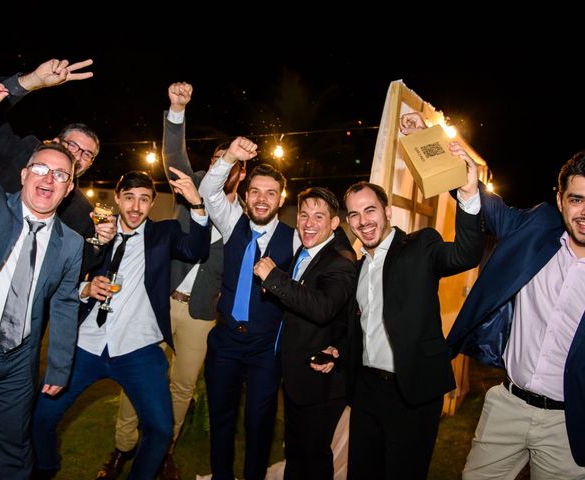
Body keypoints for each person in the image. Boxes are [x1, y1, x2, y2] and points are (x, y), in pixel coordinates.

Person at [96, 82, 246, 480]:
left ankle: (164, 450)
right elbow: (175, 156)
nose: (222, 168)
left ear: (241, 172)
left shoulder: (246, 217)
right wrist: (177, 111)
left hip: (200, 313)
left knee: (181, 387)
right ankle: (122, 448)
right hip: (159, 300)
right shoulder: (191, 187)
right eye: (217, 160)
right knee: (139, 375)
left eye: (230, 164)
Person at [31, 169, 210, 479]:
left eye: (143, 200)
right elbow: (57, 279)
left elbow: (196, 249)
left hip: (138, 349)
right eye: (129, 198)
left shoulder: (163, 234)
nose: (136, 207)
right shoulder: (93, 233)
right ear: (117, 198)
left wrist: (197, 205)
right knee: (42, 416)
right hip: (85, 345)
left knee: (160, 428)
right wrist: (85, 288)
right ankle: (45, 468)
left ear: (153, 203)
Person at [0, 79, 83, 479]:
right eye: (40, 168)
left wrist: (58, 366)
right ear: (24, 174)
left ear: (69, 187)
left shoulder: (70, 244)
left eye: (60, 174)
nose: (48, 178)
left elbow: (64, 302)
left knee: (14, 455)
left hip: (18, 362)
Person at [342, 141, 483, 479]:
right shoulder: (358, 267)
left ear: (387, 211)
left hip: (413, 391)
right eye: (354, 214)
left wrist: (467, 194)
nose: (363, 221)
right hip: (366, 390)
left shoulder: (420, 246)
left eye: (370, 210)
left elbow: (465, 254)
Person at [447, 151, 585, 478]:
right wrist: (427, 136)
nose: (584, 211)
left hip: (568, 425)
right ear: (560, 199)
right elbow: (483, 200)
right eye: (577, 199)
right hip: (506, 406)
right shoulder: (536, 227)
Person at [0, 57, 115, 269]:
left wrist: (101, 242)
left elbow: (83, 263)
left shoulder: (83, 212)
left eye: (87, 154)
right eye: (72, 145)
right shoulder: (19, 155)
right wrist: (30, 81)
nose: (77, 155)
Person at [199, 137, 298, 480]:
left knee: (259, 421)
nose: (261, 199)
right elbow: (208, 189)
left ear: (281, 199)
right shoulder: (231, 223)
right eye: (255, 191)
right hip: (225, 340)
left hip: (265, 348)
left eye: (271, 193)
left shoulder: (295, 237)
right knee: (221, 419)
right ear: (245, 193)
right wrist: (229, 158)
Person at [253, 187, 357, 480]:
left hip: (320, 378)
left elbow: (324, 308)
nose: (309, 223)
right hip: (300, 372)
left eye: (319, 216)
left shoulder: (341, 260)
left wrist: (275, 278)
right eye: (304, 215)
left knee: (313, 457)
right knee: (297, 453)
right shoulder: (308, 249)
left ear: (334, 223)